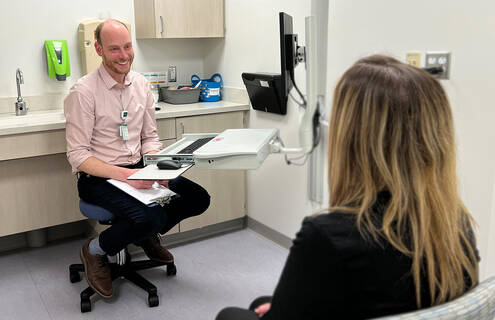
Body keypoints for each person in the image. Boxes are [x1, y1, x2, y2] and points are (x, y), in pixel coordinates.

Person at [216, 55, 479, 320]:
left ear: (352, 138)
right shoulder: (455, 222)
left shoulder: (328, 237)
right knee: (265, 301)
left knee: (231, 315)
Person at [64, 19, 210, 299]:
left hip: (140, 170)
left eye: (128, 46)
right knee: (150, 216)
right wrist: (129, 176)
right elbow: (79, 156)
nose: (123, 55)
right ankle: (94, 251)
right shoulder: (83, 92)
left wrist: (158, 167)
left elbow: (150, 138)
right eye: (114, 48)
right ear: (99, 49)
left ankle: (145, 235)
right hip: (99, 177)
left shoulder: (141, 85)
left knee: (197, 198)